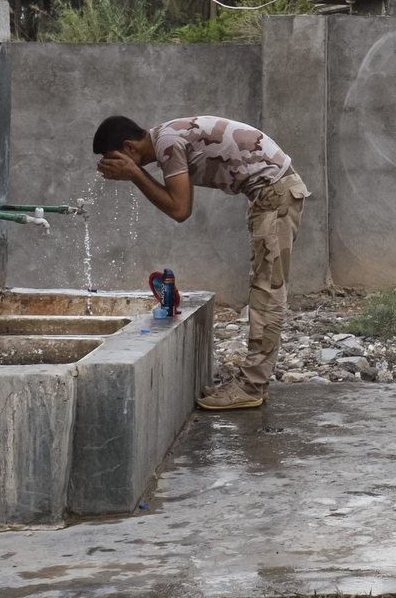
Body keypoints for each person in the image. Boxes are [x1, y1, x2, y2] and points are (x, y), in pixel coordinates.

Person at [92, 113, 309, 410]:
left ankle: (252, 386)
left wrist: (135, 174)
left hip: (274, 192)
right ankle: (255, 380)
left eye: (113, 159)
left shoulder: (167, 143)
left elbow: (180, 209)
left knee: (267, 290)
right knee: (264, 285)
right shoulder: (168, 137)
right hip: (270, 193)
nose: (113, 167)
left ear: (129, 148)